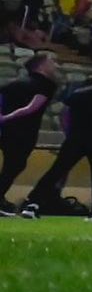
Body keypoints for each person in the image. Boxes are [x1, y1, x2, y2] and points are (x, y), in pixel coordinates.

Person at [18, 67, 92, 217]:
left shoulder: (80, 93)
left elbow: (64, 114)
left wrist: (69, 133)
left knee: (56, 171)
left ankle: (31, 203)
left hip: (76, 138)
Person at [0, 55, 55, 194]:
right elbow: (32, 107)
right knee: (15, 165)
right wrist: (7, 117)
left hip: (6, 129)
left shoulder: (14, 83)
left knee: (11, 165)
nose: (54, 65)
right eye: (50, 63)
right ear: (41, 66)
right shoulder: (47, 85)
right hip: (25, 131)